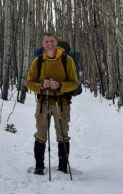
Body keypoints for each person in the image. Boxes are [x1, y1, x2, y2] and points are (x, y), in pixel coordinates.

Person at [27, 32, 79, 175]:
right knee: (40, 134)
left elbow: (75, 83)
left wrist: (60, 85)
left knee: (62, 134)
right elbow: (29, 83)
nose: (49, 44)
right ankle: (39, 167)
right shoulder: (37, 61)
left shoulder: (67, 60)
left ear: (56, 42)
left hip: (62, 104)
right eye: (46, 41)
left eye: (51, 41)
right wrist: (41, 86)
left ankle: (63, 166)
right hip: (43, 103)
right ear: (43, 44)